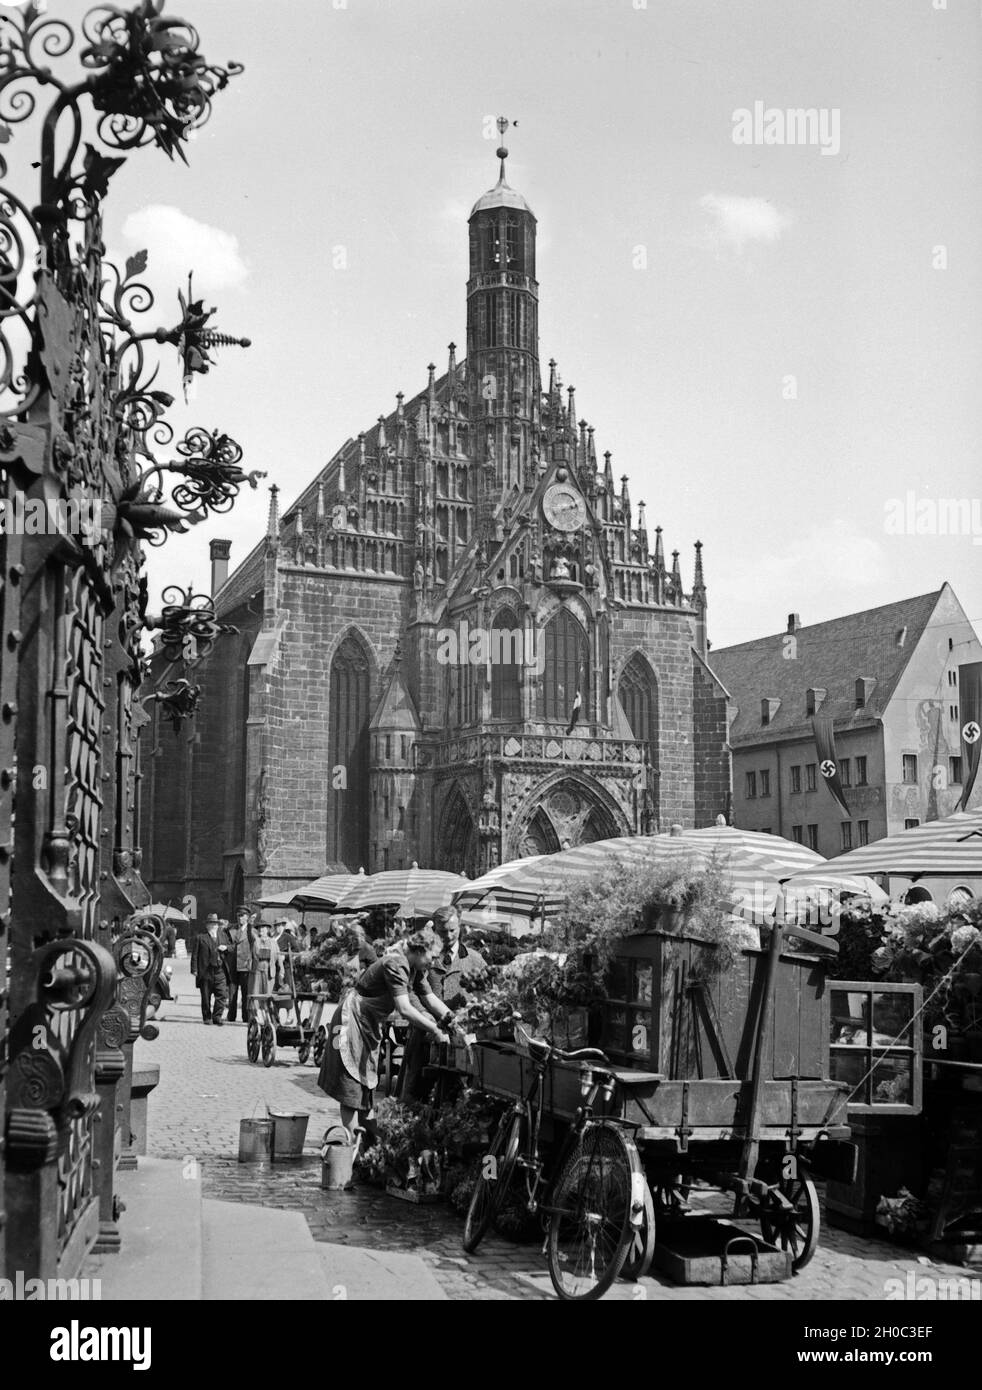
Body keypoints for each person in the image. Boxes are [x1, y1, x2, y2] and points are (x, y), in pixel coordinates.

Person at [318, 932, 455, 1147]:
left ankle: (366, 1147)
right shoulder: (396, 963)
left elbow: (429, 998)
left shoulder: (416, 968)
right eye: (432, 956)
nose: (435, 961)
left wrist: (453, 1021)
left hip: (368, 1024)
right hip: (353, 1021)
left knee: (365, 1089)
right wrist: (435, 1029)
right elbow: (404, 1008)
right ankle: (351, 1147)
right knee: (351, 1091)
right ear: (420, 951)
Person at [398, 905, 486, 1101]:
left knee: (457, 1091)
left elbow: (487, 994)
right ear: (435, 930)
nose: (448, 936)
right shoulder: (424, 955)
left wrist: (475, 1007)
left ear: (460, 927)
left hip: (460, 1035)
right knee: (416, 1088)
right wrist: (423, 1013)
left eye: (453, 930)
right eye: (443, 931)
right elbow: (410, 990)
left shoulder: (475, 960)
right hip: (424, 1031)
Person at [194, 914, 229, 1025]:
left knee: (222, 994)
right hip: (206, 971)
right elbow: (195, 955)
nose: (214, 926)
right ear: (207, 925)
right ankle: (207, 1017)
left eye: (215, 924)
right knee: (206, 996)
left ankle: (217, 1016)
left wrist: (226, 947)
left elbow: (232, 947)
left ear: (218, 925)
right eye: (211, 924)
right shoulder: (200, 937)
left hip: (220, 970)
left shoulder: (223, 936)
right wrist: (194, 969)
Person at [222, 907, 253, 1023]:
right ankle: (231, 1016)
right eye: (238, 916)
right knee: (232, 992)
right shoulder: (231, 930)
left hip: (245, 966)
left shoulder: (251, 931)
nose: (240, 918)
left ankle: (246, 1016)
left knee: (246, 993)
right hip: (233, 965)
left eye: (242, 916)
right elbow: (226, 941)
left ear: (247, 918)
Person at [248, 918, 282, 1014]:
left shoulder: (273, 942)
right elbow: (254, 954)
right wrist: (250, 923)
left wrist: (282, 972)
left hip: (269, 970)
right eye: (259, 928)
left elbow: (278, 957)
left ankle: (268, 1014)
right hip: (257, 970)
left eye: (263, 928)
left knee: (268, 994)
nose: (261, 930)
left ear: (267, 929)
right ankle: (256, 1015)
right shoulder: (255, 941)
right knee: (256, 993)